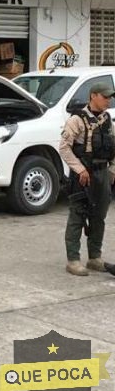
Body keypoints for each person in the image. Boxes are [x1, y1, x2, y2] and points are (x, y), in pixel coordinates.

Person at [59, 81, 115, 276]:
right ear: (93, 96)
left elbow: (113, 146)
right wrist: (79, 169)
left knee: (99, 216)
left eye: (110, 97)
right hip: (82, 176)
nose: (108, 101)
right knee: (77, 215)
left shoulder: (107, 119)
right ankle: (73, 260)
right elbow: (64, 148)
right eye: (105, 97)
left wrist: (112, 171)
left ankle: (94, 258)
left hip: (102, 174)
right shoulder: (77, 120)